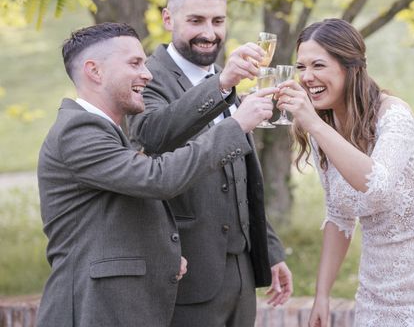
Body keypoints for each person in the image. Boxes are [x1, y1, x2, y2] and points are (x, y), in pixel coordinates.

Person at [36, 22, 276, 326]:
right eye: (135, 63)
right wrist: (236, 126)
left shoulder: (107, 132)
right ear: (94, 71)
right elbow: (158, 179)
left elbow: (119, 210)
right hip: (92, 310)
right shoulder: (78, 130)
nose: (147, 74)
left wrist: (162, 254)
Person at [276, 18, 414, 326]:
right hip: (377, 295)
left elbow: (377, 184)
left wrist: (314, 124)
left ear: (350, 67)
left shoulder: (394, 115)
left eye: (318, 65)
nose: (307, 77)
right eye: (301, 67)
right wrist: (322, 294)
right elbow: (338, 216)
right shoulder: (324, 129)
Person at [128, 0, 292, 327]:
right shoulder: (146, 78)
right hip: (186, 276)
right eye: (196, 21)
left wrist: (271, 252)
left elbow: (243, 180)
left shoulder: (222, 80)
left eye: (218, 21)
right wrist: (221, 84)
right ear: (168, 19)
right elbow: (153, 135)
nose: (210, 32)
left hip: (241, 274)